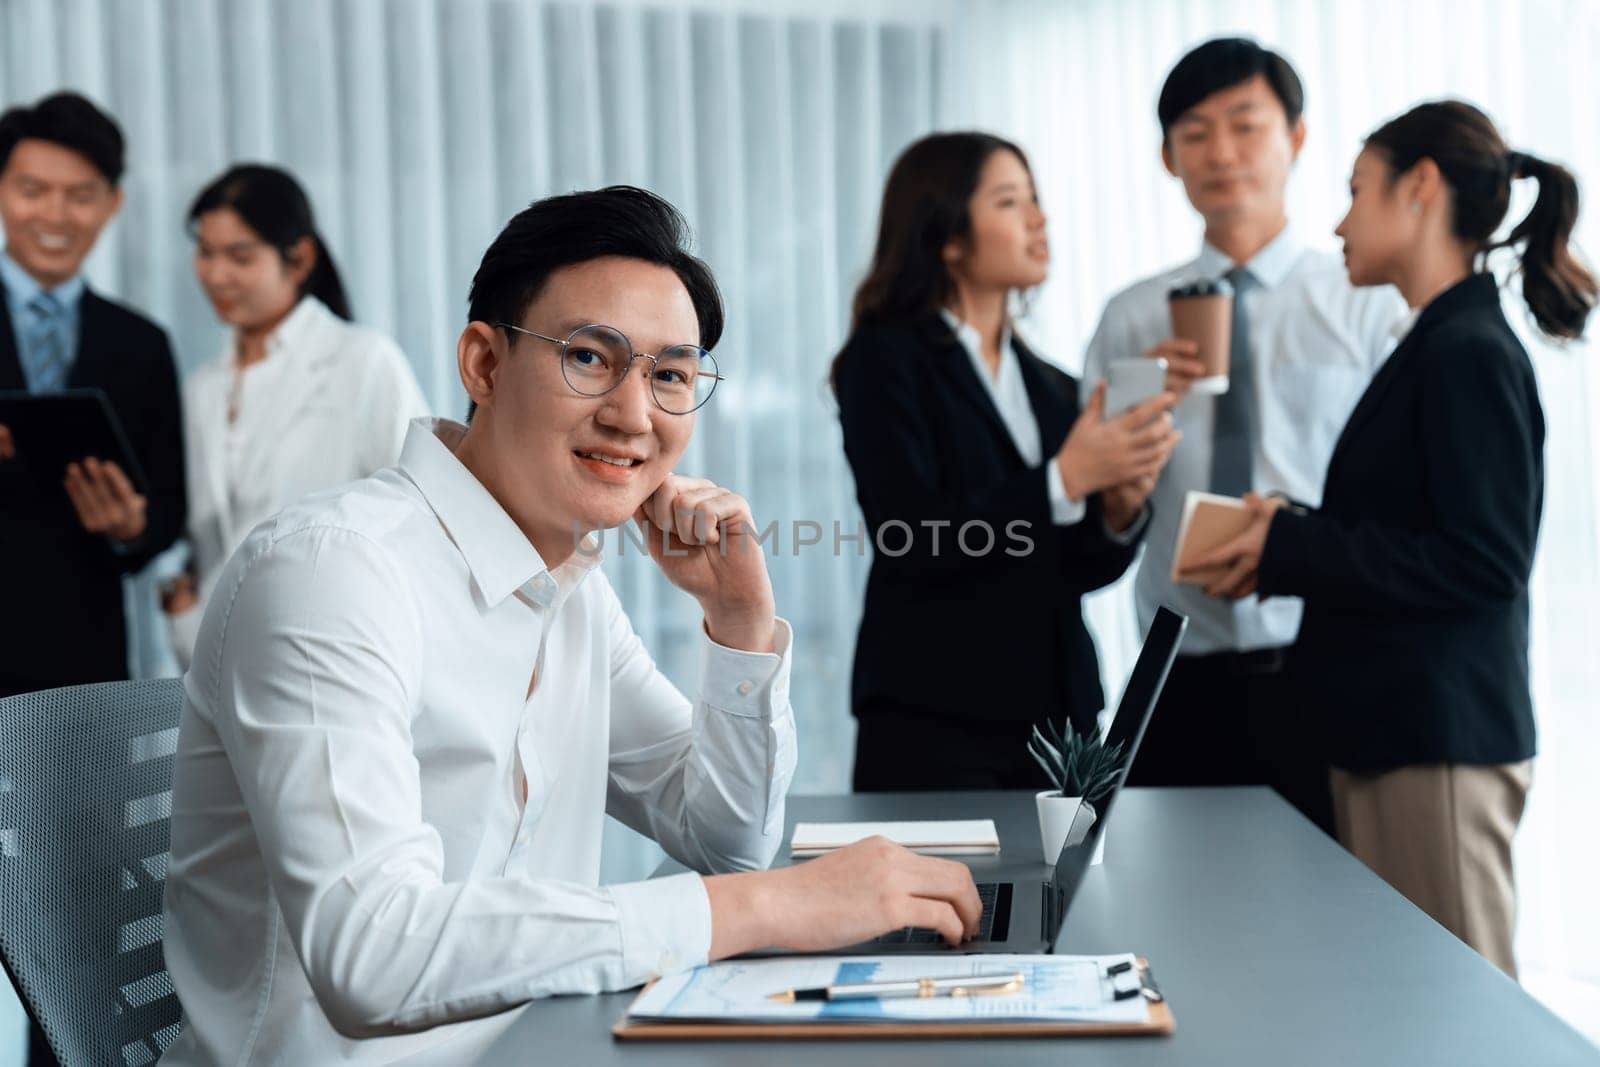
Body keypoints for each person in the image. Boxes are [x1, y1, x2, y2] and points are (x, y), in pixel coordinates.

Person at [160, 186, 984, 1062]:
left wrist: (738, 622)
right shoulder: (334, 569)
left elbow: (724, 837)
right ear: (483, 362)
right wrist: (777, 906)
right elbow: (374, 952)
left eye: (669, 375)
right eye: (591, 357)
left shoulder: (569, 585)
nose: (634, 414)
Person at [1187, 100, 1596, 978]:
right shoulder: (1439, 342)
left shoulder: (1466, 350)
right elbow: (1420, 534)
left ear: (1419, 189)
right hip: (1397, 735)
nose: (1338, 220)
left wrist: (1289, 552)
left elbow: (1482, 562)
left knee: (1461, 1013)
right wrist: (1288, 531)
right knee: (1414, 1008)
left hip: (1434, 742)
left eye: (1356, 190)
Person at [1081, 38, 1405, 835]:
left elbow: (1402, 492)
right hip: (1175, 679)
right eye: (1194, 133)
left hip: (1330, 662)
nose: (1221, 152)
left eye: (1245, 125)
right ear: (1167, 157)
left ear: (1296, 138)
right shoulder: (1133, 316)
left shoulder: (1366, 300)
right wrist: (1134, 416)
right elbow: (1105, 508)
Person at [833, 132, 1179, 792]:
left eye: (1037, 200)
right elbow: (910, 535)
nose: (1039, 219)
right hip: (934, 717)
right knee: (944, 898)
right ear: (948, 236)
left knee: (1064, 899)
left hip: (1062, 724)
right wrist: (1064, 479)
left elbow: (1074, 570)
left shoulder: (1052, 384)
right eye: (1010, 201)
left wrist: (1118, 507)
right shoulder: (886, 361)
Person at [161, 164, 429, 667]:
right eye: (206, 253)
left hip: (331, 648)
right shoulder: (203, 387)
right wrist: (183, 608)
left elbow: (424, 512)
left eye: (239, 256)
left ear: (299, 257)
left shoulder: (362, 361)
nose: (216, 274)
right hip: (215, 655)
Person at [0, 91, 186, 699]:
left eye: (80, 195)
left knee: (84, 802)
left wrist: (132, 527)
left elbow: (167, 506)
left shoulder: (141, 343)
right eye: (33, 190)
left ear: (112, 203)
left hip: (80, 664)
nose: (56, 215)